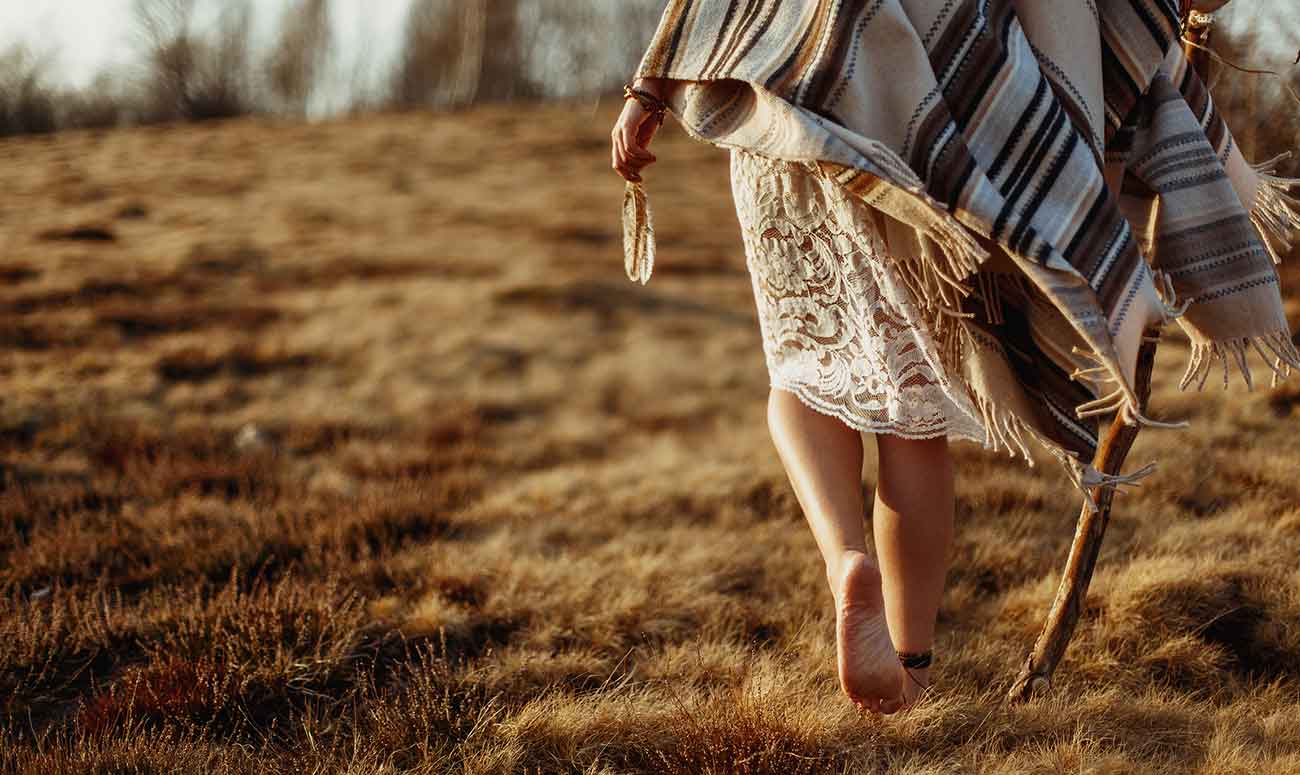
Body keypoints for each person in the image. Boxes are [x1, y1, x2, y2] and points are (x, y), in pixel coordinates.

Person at [610, 0, 1300, 718]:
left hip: (781, 105)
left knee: (799, 367)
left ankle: (848, 557)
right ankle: (910, 669)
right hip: (897, 105)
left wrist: (646, 93)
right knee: (911, 401)